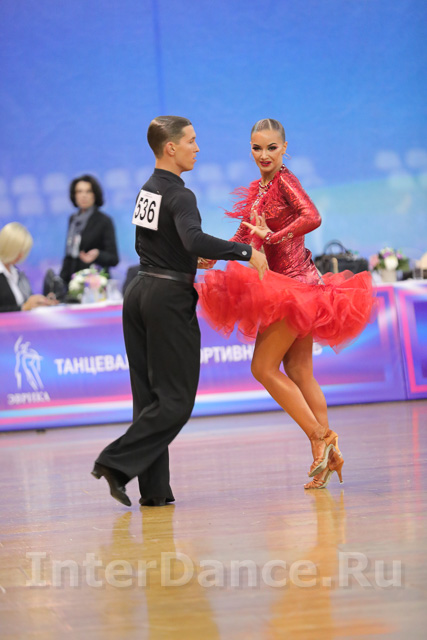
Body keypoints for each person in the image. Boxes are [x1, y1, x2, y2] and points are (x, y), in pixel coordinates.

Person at [92, 116, 268, 507]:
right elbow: (192, 238)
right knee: (176, 401)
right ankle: (114, 462)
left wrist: (189, 260)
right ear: (170, 147)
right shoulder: (181, 195)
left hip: (139, 292)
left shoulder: (147, 189)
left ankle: (155, 491)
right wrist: (245, 251)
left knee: (149, 399)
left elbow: (154, 243)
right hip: (167, 299)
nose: (197, 147)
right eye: (191, 140)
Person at [197, 118, 376, 490]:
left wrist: (274, 235)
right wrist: (215, 255)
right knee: (299, 371)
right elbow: (246, 231)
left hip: (292, 290)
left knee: (262, 368)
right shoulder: (261, 187)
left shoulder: (284, 182)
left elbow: (313, 216)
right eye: (256, 148)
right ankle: (328, 457)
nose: (263, 155)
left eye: (271, 148)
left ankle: (319, 436)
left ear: (284, 148)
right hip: (295, 288)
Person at [60, 175, 119, 285]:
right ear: (74, 195)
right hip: (73, 282)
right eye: (79, 191)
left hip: (95, 282)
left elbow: (114, 258)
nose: (84, 195)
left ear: (95, 195)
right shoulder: (73, 220)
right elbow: (69, 255)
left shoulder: (104, 220)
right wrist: (61, 282)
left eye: (88, 191)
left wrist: (97, 254)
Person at [0, 222, 58, 312]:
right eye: (18, 250)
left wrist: (40, 302)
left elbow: (26, 302)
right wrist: (23, 307)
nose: (21, 255)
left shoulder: (17, 273)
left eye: (23, 251)